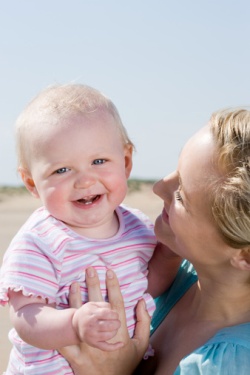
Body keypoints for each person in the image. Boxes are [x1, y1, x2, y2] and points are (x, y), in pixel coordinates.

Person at [0, 84, 180, 374]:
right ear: (32, 183)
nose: (84, 181)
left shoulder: (136, 226)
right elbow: (25, 317)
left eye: (98, 161)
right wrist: (73, 324)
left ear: (126, 162)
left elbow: (145, 287)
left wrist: (169, 256)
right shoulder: (38, 240)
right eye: (61, 170)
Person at [60, 107, 250, 374]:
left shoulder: (230, 363)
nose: (159, 186)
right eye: (176, 170)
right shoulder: (174, 275)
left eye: (182, 195)